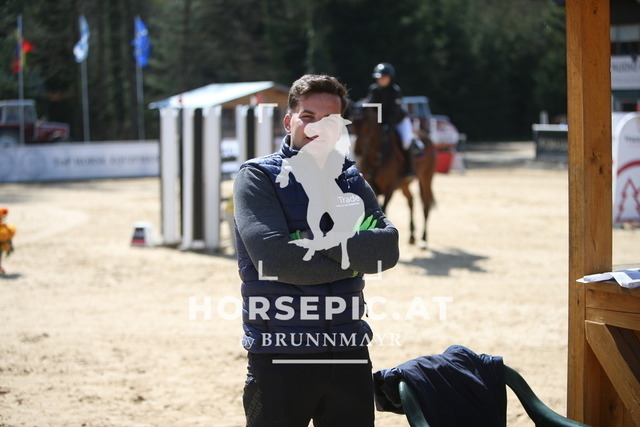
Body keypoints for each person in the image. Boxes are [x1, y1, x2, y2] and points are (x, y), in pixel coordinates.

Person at [233, 74, 399, 427]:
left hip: (349, 350)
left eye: (330, 120)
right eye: (308, 117)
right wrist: (354, 257)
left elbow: (386, 250)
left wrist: (308, 241)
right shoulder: (257, 177)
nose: (318, 128)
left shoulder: (352, 178)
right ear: (288, 121)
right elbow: (275, 260)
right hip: (279, 353)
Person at [364, 62, 423, 174]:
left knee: (406, 142)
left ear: (390, 78)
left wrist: (387, 126)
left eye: (384, 77)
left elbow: (393, 113)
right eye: (379, 78)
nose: (381, 80)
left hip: (399, 121)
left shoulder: (395, 91)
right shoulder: (374, 89)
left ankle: (409, 169)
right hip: (381, 121)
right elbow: (368, 104)